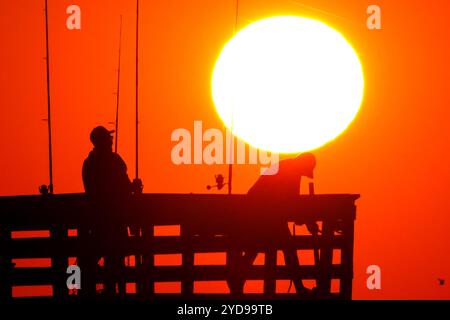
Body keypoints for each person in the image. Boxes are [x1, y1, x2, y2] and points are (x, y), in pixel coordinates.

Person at [228, 152, 317, 295]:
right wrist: (306, 221)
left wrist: (304, 220)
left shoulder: (289, 168)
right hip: (264, 215)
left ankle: (236, 280)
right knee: (287, 250)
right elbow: (291, 203)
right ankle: (299, 288)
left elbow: (291, 203)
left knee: (255, 249)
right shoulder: (291, 172)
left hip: (264, 215)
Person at [81, 126, 141, 296]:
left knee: (95, 259)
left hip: (96, 221)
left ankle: (91, 292)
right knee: (116, 260)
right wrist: (134, 187)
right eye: (108, 138)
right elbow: (125, 187)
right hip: (116, 220)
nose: (111, 141)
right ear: (103, 141)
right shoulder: (114, 161)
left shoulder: (89, 163)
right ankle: (113, 291)